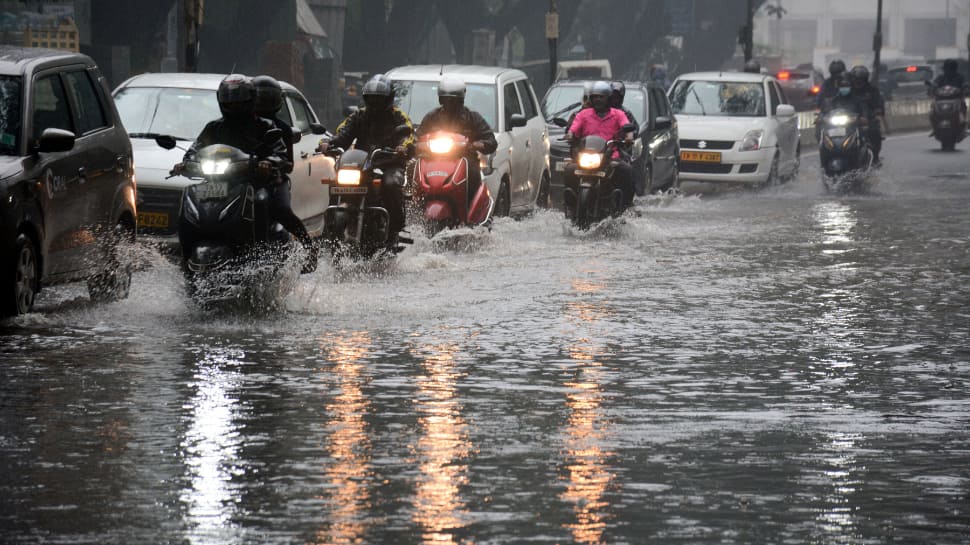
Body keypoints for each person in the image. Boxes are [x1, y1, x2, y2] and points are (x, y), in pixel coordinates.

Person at [174, 74, 304, 256]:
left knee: (262, 201)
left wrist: (268, 163)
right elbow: (195, 149)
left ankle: (261, 254)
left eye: (239, 102)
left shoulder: (265, 126)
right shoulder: (214, 127)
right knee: (191, 197)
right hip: (219, 182)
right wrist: (185, 164)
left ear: (250, 101)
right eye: (229, 102)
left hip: (256, 182)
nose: (234, 106)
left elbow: (280, 153)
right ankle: (185, 251)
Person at [317, 76, 414, 247]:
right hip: (362, 164)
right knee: (336, 183)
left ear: (388, 99)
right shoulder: (359, 116)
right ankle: (329, 229)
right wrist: (328, 144)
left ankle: (394, 229)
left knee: (391, 184)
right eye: (371, 98)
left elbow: (408, 136)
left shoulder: (398, 117)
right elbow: (343, 133)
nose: (375, 103)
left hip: (389, 162)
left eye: (379, 99)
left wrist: (402, 148)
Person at [252, 74, 318, 271]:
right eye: (259, 98)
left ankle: (309, 248)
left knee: (282, 210)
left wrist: (271, 165)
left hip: (273, 181)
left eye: (268, 99)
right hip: (242, 180)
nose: (263, 103)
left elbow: (288, 163)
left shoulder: (282, 129)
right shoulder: (241, 125)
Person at [416, 75, 498, 202]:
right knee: (414, 171)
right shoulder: (432, 117)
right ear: (440, 99)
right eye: (446, 99)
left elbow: (491, 141)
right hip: (433, 160)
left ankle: (469, 210)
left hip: (464, 159)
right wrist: (416, 145)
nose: (449, 103)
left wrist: (476, 144)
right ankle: (415, 206)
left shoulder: (472, 117)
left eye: (453, 100)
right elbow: (417, 137)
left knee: (472, 174)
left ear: (461, 100)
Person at [565, 80, 635, 207]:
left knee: (627, 171)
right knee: (569, 170)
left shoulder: (618, 114)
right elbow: (573, 128)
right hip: (585, 157)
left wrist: (629, 137)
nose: (598, 100)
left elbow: (626, 126)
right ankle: (570, 204)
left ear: (608, 98)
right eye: (595, 97)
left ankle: (626, 206)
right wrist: (570, 135)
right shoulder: (583, 114)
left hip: (610, 157)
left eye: (601, 97)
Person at [848, 65, 885, 163]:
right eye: (856, 80)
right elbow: (838, 102)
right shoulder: (848, 91)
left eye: (861, 80)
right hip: (850, 119)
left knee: (875, 132)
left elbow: (879, 102)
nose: (858, 83)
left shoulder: (872, 90)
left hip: (868, 119)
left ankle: (875, 157)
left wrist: (878, 112)